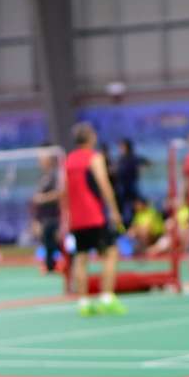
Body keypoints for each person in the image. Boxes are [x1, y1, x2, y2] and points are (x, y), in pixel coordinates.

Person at [65, 122, 125, 316]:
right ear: (91, 137)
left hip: (76, 218)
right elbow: (104, 184)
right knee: (111, 253)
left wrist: (66, 217)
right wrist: (114, 211)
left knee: (81, 257)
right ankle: (106, 298)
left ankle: (83, 303)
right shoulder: (94, 157)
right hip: (95, 215)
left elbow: (63, 190)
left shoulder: (68, 160)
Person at [32, 151, 62, 272]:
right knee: (47, 242)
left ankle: (64, 264)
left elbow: (60, 193)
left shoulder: (56, 176)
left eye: (42, 159)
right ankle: (50, 266)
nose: (40, 162)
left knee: (58, 242)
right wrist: (36, 219)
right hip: (44, 217)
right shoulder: (42, 177)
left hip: (55, 216)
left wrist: (43, 198)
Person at [113, 138, 148, 227]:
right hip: (123, 189)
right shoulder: (121, 159)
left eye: (121, 147)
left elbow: (146, 162)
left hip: (130, 188)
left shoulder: (131, 158)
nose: (120, 149)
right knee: (126, 209)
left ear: (127, 147)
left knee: (131, 209)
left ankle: (131, 226)